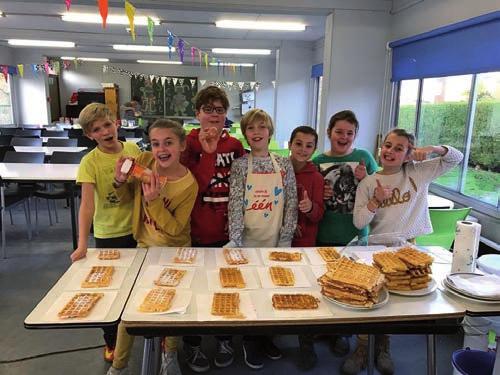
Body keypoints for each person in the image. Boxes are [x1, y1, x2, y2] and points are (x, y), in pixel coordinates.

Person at [348, 128, 463, 375]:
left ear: (409, 154)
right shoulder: (368, 182)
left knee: (396, 301)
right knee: (371, 297)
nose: (390, 151)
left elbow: (456, 157)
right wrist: (376, 200)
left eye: (399, 148)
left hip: (406, 247)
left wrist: (432, 149)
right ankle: (361, 346)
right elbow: (359, 222)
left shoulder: (418, 173)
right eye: (388, 145)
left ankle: (384, 346)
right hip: (375, 250)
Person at [106, 119, 198, 375]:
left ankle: (169, 355)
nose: (161, 149)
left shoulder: (188, 184)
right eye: (156, 143)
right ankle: (118, 366)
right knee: (129, 309)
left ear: (181, 146)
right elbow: (125, 199)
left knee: (173, 307)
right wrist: (119, 181)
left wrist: (155, 201)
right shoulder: (144, 163)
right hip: (144, 247)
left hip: (175, 251)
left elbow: (176, 229)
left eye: (168, 142)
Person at [69, 103, 141, 362]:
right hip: (108, 233)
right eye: (97, 129)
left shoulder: (133, 150)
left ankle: (138, 327)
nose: (105, 132)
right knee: (110, 290)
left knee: (137, 284)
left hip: (137, 230)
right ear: (90, 135)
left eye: (107, 125)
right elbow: (86, 206)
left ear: (117, 123)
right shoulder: (90, 162)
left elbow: (143, 186)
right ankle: (111, 339)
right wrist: (82, 244)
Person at [180, 85, 245, 372]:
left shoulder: (234, 146)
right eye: (208, 109)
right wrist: (207, 153)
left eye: (220, 110)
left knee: (226, 286)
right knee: (193, 287)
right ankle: (192, 344)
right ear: (198, 114)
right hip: (196, 228)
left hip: (227, 231)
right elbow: (192, 186)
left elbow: (244, 184)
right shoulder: (187, 144)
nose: (214, 115)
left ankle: (224, 339)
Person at [228, 108, 298, 370]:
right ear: (245, 134)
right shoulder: (240, 165)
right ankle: (249, 340)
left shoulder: (283, 164)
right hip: (247, 241)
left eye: (261, 127)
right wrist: (235, 239)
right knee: (249, 292)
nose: (256, 132)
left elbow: (290, 203)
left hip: (275, 240)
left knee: (272, 291)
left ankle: (267, 338)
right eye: (250, 128)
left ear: (269, 132)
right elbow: (235, 204)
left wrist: (286, 238)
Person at [312, 110, 378, 357]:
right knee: (326, 282)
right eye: (339, 131)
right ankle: (324, 327)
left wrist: (366, 178)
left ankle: (342, 332)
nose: (344, 136)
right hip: (325, 232)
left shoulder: (363, 157)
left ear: (356, 135)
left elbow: (378, 189)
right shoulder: (317, 161)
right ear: (329, 132)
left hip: (355, 234)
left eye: (350, 133)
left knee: (352, 286)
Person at [288, 125, 325, 370]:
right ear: (290, 144)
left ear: (314, 149)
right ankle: (266, 338)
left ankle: (306, 342)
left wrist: (310, 207)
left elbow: (319, 214)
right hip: (277, 239)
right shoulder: (277, 169)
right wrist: (288, 224)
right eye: (299, 144)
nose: (303, 149)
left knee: (305, 292)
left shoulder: (316, 178)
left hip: (304, 245)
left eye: (309, 145)